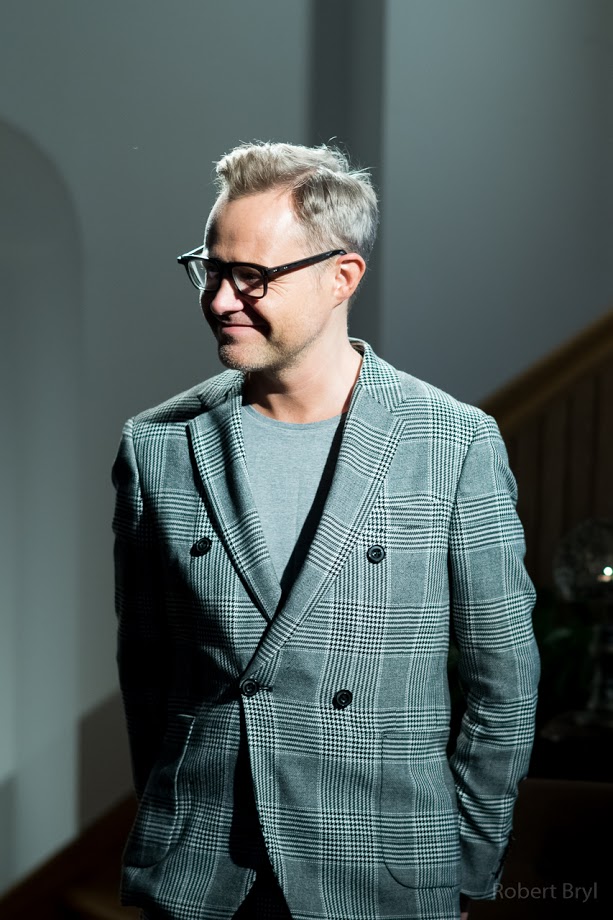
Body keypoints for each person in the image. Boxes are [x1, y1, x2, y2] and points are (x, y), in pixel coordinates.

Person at [112, 141, 540, 920]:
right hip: (198, 881)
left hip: (382, 874)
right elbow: (147, 674)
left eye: (252, 276)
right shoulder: (157, 445)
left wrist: (464, 867)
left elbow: (502, 681)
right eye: (210, 269)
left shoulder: (451, 442)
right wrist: (172, 827)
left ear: (341, 277)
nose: (220, 300)